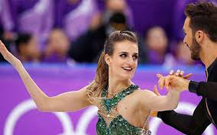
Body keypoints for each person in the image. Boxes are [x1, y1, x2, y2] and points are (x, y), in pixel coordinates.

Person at [0, 30, 181, 135]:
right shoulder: (96, 93)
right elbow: (44, 104)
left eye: (135, 57)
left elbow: (169, 103)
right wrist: (18, 65)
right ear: (108, 59)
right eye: (123, 55)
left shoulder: (141, 97)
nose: (130, 62)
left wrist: (174, 90)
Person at [156, 2, 217, 135]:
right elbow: (193, 127)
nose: (184, 40)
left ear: (199, 36)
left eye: (185, 33)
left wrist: (187, 85)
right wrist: (159, 111)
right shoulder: (211, 74)